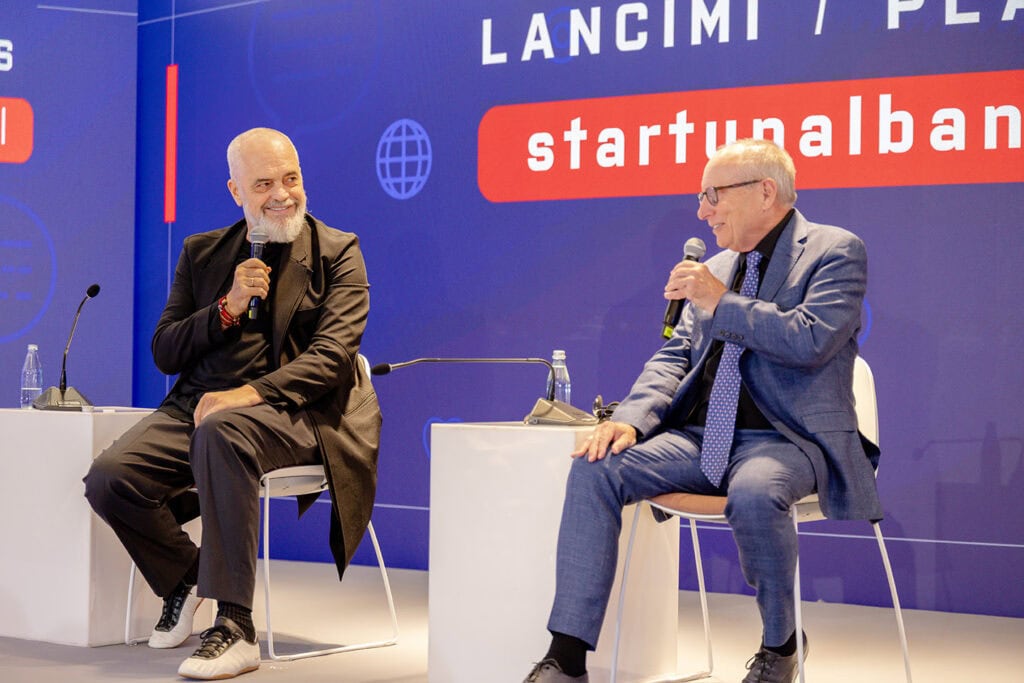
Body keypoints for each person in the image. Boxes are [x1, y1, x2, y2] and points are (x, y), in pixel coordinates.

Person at [523, 138, 882, 683]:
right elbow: (674, 356)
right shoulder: (717, 266)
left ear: (765, 191)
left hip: (791, 439)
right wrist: (631, 418)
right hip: (702, 437)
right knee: (596, 467)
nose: (702, 210)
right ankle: (567, 658)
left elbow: (811, 340)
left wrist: (723, 302)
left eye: (712, 194)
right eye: (700, 196)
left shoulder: (835, 250)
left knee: (756, 492)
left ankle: (781, 645)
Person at [84, 127, 380, 680]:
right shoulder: (203, 253)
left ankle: (235, 627)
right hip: (198, 407)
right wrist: (227, 306)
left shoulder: (339, 251)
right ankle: (187, 577)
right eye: (263, 183)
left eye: (291, 179)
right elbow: (165, 351)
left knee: (224, 432)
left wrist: (246, 395)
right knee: (109, 477)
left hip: (300, 413)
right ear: (235, 192)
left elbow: (333, 359)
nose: (282, 194)